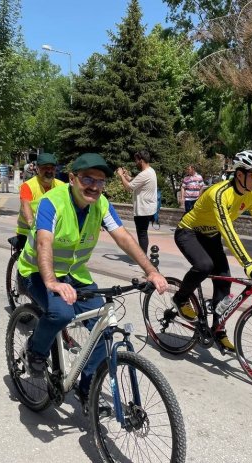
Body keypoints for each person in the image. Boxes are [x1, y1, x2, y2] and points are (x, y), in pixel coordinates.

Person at [17, 153, 168, 415]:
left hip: (75, 274)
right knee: (61, 313)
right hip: (37, 272)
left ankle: (87, 389)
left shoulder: (101, 204)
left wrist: (151, 271)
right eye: (88, 179)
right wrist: (52, 282)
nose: (94, 186)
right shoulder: (52, 202)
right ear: (73, 178)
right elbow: (44, 242)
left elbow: (123, 237)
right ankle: (35, 352)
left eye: (100, 182)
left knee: (105, 329)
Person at [171, 150, 252, 351]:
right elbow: (228, 231)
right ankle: (181, 297)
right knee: (204, 265)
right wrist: (248, 265)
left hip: (211, 236)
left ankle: (218, 330)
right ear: (240, 174)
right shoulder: (218, 194)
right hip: (189, 232)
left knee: (223, 279)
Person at [15, 153, 64, 250]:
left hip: (52, 231)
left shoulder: (62, 186)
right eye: (45, 168)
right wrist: (33, 225)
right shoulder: (28, 186)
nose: (49, 171)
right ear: (37, 169)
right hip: (27, 231)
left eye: (52, 168)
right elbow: (26, 206)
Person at [115, 150, 157, 255]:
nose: (135, 163)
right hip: (148, 208)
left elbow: (129, 187)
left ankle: (142, 258)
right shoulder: (150, 171)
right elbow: (135, 181)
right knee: (143, 233)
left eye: (136, 160)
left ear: (141, 161)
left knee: (142, 234)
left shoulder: (145, 174)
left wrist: (120, 175)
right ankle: (143, 256)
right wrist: (126, 176)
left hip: (142, 209)